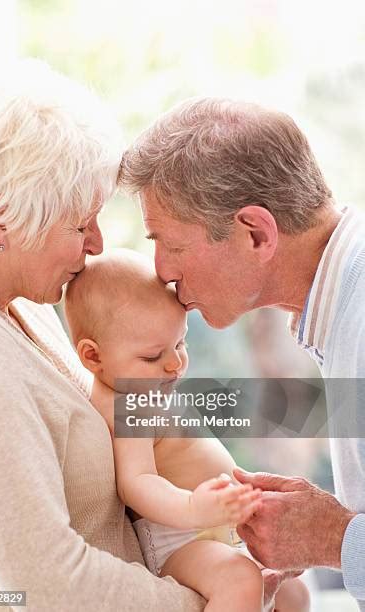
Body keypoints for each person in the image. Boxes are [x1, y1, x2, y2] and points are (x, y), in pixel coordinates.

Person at [0, 60, 207, 612]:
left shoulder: (25, 306)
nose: (96, 244)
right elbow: (50, 585)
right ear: (0, 224)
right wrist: (209, 598)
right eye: (78, 225)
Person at [118, 97, 365, 610]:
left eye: (171, 244)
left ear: (255, 233)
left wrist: (337, 540)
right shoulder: (338, 309)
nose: (161, 270)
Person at [65, 247, 310, 612]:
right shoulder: (127, 403)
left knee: (295, 593)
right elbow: (136, 482)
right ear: (93, 356)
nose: (175, 363)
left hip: (217, 528)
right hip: (179, 537)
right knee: (242, 582)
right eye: (153, 356)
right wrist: (195, 507)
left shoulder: (142, 386)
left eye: (180, 343)